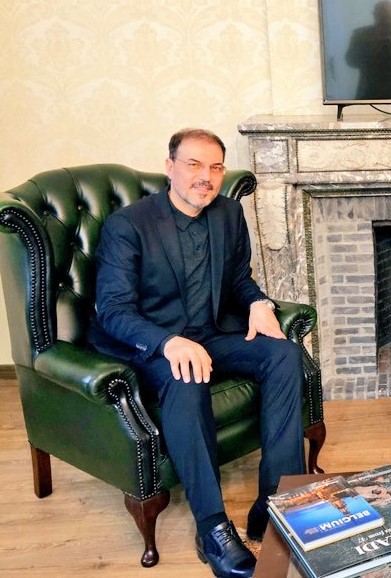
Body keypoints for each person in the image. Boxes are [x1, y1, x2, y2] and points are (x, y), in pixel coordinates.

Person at [87, 128, 306, 578]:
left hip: (210, 332)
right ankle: (212, 529)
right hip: (153, 344)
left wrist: (258, 303)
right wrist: (168, 342)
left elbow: (239, 278)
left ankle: (275, 505)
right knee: (187, 375)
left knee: (284, 354)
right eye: (194, 164)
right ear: (170, 168)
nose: (206, 176)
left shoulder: (228, 213)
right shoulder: (128, 225)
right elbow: (112, 310)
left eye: (215, 167)